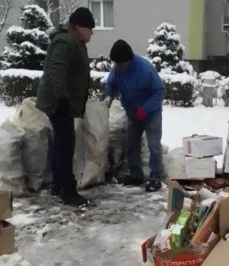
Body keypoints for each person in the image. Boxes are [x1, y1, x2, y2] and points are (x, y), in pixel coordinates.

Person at [36, 7, 95, 206]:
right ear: (78, 26)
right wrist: (61, 98)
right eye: (89, 28)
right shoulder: (65, 41)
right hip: (59, 103)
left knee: (62, 143)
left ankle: (58, 185)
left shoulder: (73, 41)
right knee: (65, 145)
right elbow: (57, 69)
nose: (91, 33)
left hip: (62, 102)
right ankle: (67, 191)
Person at [103, 39, 165, 192]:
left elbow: (160, 91)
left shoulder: (145, 68)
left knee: (154, 146)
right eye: (116, 63)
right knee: (131, 144)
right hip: (133, 114)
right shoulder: (117, 68)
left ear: (128, 60)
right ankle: (136, 174)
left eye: (120, 63)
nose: (118, 67)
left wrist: (146, 109)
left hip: (151, 114)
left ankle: (155, 177)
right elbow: (111, 83)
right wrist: (108, 96)